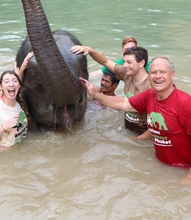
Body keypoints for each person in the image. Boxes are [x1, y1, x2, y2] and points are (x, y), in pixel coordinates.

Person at [79, 56, 191, 184]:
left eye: (162, 72)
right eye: (153, 72)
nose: (157, 76)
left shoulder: (185, 103)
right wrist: (95, 94)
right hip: (162, 166)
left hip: (183, 169)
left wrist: (188, 178)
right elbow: (123, 103)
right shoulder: (150, 95)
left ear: (172, 74)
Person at [71, 45, 151, 136]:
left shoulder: (151, 87)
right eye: (124, 62)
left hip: (142, 133)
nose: (124, 65)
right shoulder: (127, 75)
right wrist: (89, 50)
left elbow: (158, 123)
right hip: (128, 129)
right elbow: (106, 61)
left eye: (129, 62)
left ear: (141, 63)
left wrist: (138, 140)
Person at [0, 70, 28, 147]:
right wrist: (3, 128)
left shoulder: (17, 104)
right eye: (6, 82)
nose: (11, 84)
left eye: (14, 81)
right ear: (0, 86)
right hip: (5, 154)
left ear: (19, 85)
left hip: (19, 151)